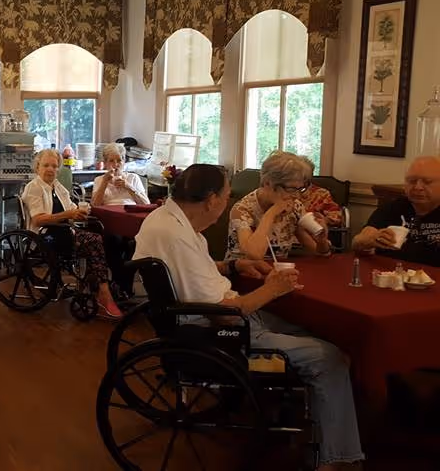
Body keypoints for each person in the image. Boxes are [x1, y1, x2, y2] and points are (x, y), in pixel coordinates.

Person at [134, 164, 363, 470]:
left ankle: (314, 420)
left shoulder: (168, 222)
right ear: (212, 199)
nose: (228, 201)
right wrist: (273, 289)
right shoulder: (176, 235)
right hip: (221, 337)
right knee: (329, 356)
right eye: (227, 195)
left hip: (203, 323)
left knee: (318, 328)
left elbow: (191, 272)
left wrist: (233, 267)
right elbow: (227, 316)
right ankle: (335, 459)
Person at [21, 148, 123, 318]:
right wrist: (68, 215)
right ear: (37, 167)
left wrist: (81, 211)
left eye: (54, 166)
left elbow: (71, 208)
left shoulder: (57, 187)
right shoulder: (34, 188)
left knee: (100, 235)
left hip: (62, 233)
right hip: (44, 237)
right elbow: (38, 220)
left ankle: (97, 286)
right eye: (46, 165)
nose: (50, 169)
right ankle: (103, 292)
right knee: (93, 240)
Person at [226, 150, 332, 260]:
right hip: (243, 273)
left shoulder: (295, 207)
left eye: (300, 189)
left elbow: (319, 253)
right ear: (267, 183)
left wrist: (322, 241)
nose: (297, 196)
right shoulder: (242, 209)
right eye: (291, 189)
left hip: (277, 272)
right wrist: (271, 213)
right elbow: (254, 255)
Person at [352, 155, 440, 266]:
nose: (418, 187)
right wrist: (371, 239)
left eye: (427, 182)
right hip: (390, 275)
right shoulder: (393, 208)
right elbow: (357, 243)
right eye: (412, 181)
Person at [300, 156, 344, 227]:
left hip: (311, 230)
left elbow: (336, 216)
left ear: (309, 177)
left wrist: (323, 220)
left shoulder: (321, 194)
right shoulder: (283, 192)